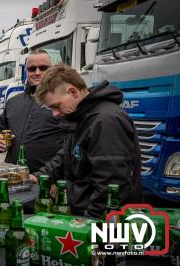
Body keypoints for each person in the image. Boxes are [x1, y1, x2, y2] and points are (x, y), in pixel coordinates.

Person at [33, 64, 143, 218]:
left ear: (73, 92)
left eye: (56, 106)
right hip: (81, 211)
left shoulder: (105, 121)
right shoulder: (81, 117)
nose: (55, 114)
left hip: (100, 222)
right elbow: (66, 156)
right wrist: (38, 176)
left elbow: (111, 185)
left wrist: (90, 224)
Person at [0, 49, 70, 181]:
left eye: (43, 68)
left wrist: (50, 177)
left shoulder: (62, 102)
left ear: (52, 69)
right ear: (26, 71)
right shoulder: (13, 102)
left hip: (45, 181)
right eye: (32, 69)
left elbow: (69, 147)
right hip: (13, 178)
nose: (37, 72)